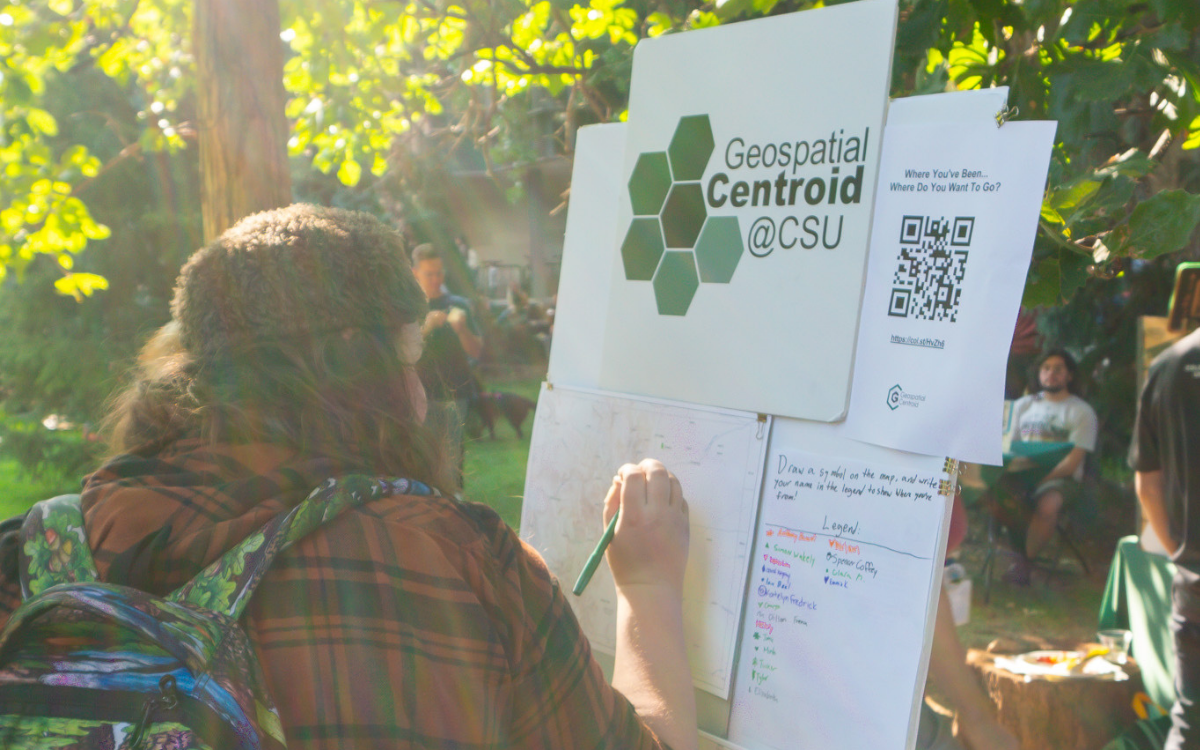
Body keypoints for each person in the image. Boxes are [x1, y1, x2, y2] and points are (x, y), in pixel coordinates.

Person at [0, 205, 698, 750]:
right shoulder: (453, 562)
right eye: (414, 350)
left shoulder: (38, 556)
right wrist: (650, 587)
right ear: (364, 370)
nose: (425, 386)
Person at [1129, 325, 1200, 750]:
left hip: (1194, 587)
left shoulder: (1167, 365)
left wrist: (1181, 553)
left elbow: (1146, 487)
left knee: (1190, 725)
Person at [1000, 349, 1098, 584]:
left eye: (1058, 369)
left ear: (1069, 376)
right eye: (1046, 368)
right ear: (1039, 374)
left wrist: (1041, 480)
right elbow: (1007, 447)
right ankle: (1017, 557)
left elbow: (1072, 462)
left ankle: (1025, 563)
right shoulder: (1022, 406)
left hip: (1061, 478)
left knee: (1047, 504)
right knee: (998, 496)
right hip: (1020, 473)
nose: (1051, 374)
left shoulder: (1081, 412)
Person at [411, 243, 483, 487]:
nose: (436, 279)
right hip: (419, 397)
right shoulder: (409, 308)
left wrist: (462, 331)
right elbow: (398, 352)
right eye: (429, 273)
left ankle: (453, 510)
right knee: (422, 464)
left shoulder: (458, 305)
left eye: (439, 273)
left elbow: (477, 350)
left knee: (451, 466)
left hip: (456, 394)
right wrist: (426, 327)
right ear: (415, 273)